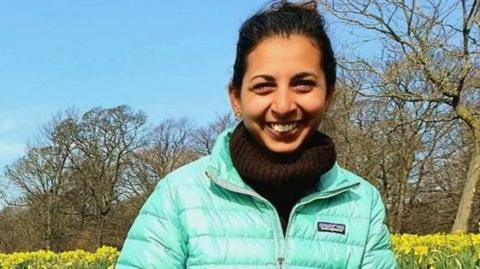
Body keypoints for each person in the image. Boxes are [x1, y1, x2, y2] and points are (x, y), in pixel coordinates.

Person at [116, 1, 397, 268]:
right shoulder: (180, 196)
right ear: (236, 98)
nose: (284, 106)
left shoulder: (361, 202)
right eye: (264, 86)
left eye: (303, 84)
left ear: (329, 95)